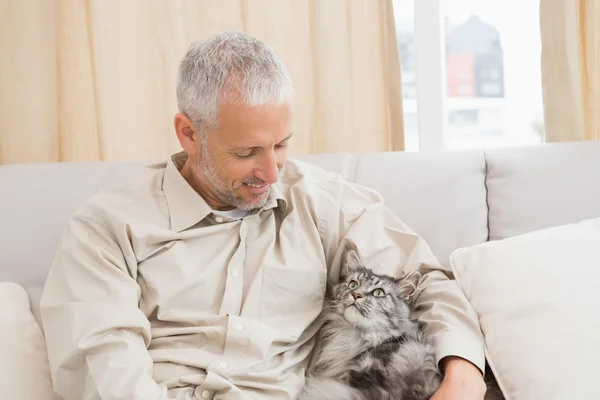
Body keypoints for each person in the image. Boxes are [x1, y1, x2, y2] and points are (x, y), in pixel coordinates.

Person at [40, 31, 487, 400]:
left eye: (281, 144)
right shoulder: (107, 227)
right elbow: (103, 371)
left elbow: (425, 279)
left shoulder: (323, 205)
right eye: (247, 152)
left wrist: (463, 376)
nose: (272, 171)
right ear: (189, 133)